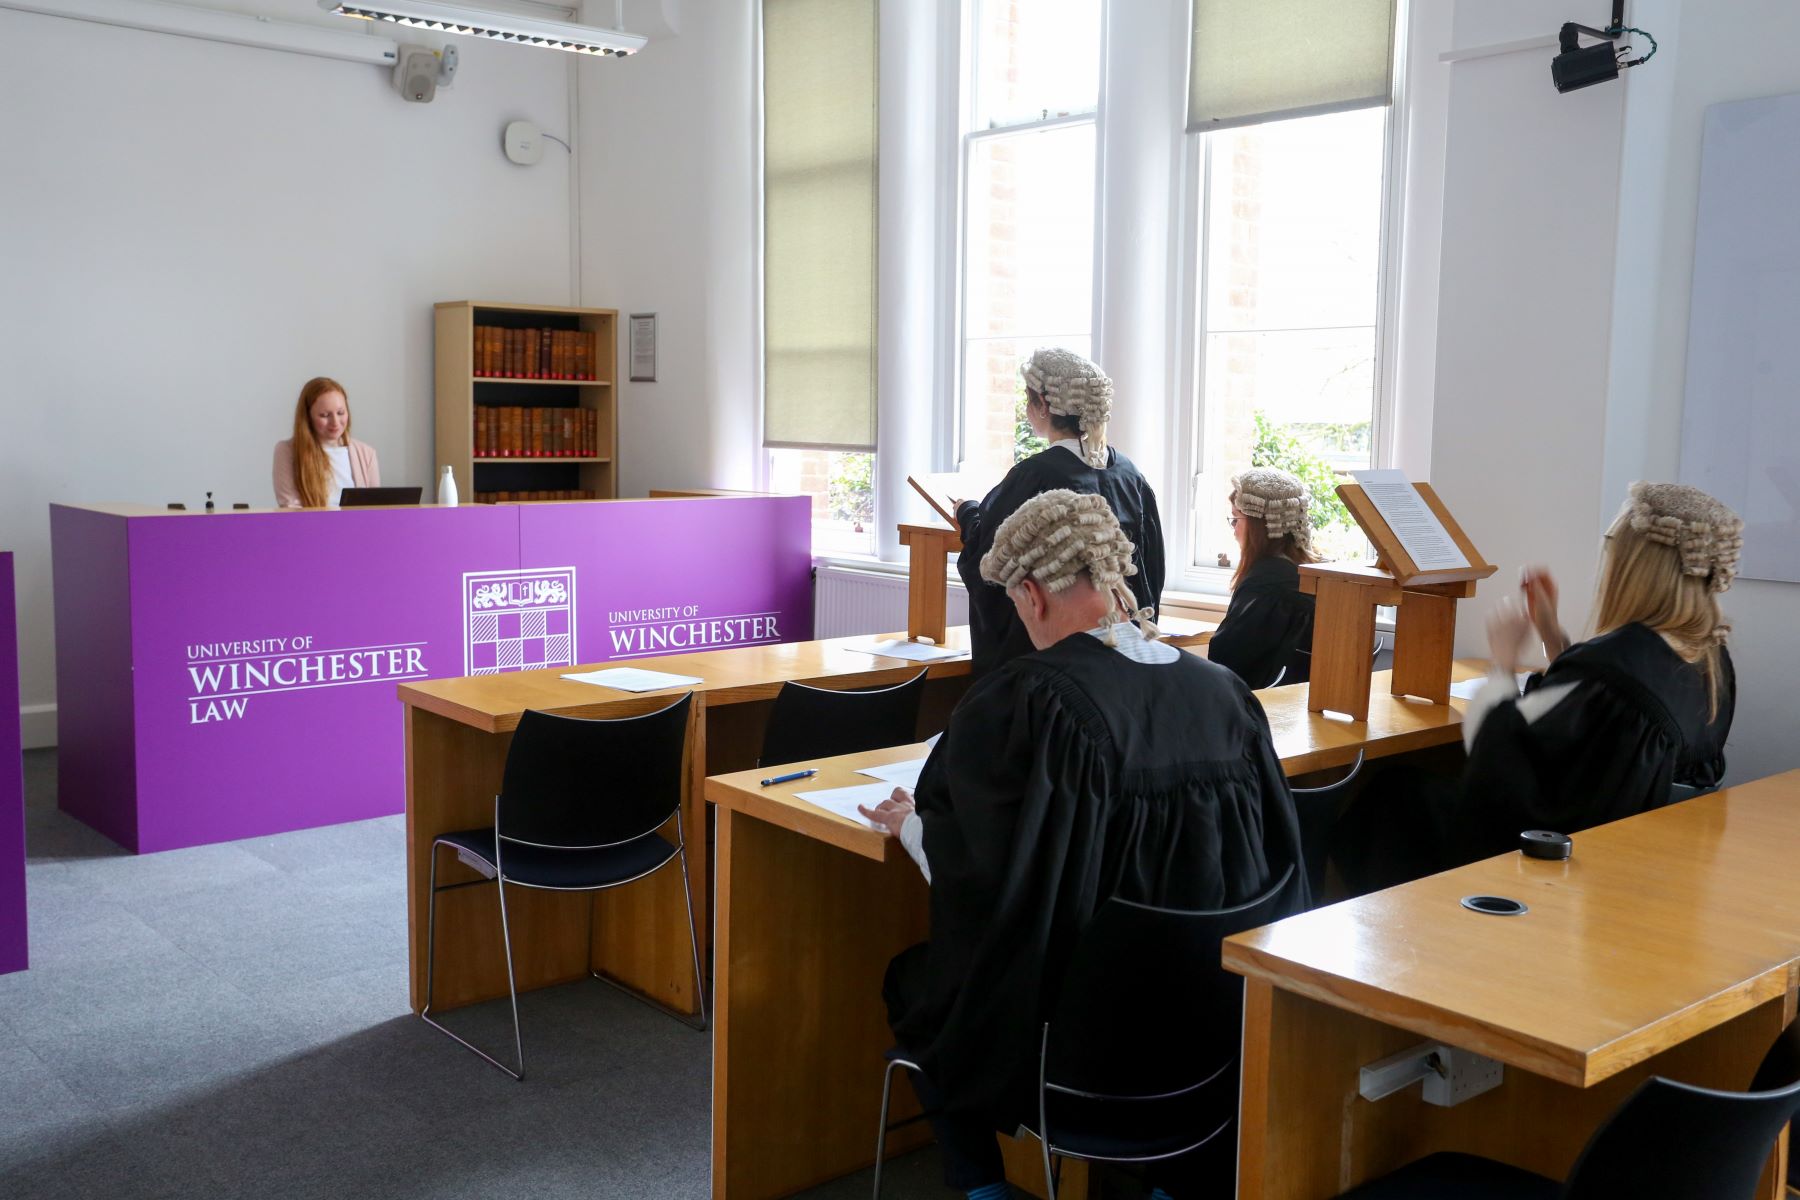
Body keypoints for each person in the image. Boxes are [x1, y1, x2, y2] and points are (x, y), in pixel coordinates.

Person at [859, 490, 1306, 1200]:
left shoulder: (1034, 701)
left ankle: (983, 1186)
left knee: (919, 983)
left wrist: (913, 824)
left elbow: (989, 880)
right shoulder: (1226, 696)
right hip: (1216, 1035)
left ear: (1030, 593)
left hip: (1080, 1050)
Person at [1452, 481, 1740, 862]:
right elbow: (1592, 718)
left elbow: (1500, 766)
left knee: (1391, 792)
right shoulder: (1712, 659)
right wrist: (1551, 634)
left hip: (1553, 857)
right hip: (1646, 861)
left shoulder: (1604, 667)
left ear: (1631, 571)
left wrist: (1503, 664)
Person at [954, 348, 1164, 678]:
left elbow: (992, 557)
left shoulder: (1038, 475)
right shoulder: (1128, 473)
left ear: (1043, 406)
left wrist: (967, 513)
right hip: (1118, 648)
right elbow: (1151, 567)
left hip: (1054, 655)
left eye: (1028, 400)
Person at [1207, 467, 1321, 688]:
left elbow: (1227, 659)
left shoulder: (1267, 584)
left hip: (1263, 707)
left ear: (1258, 526)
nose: (1234, 530)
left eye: (1235, 520)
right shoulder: (1310, 571)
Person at [273, 377, 379, 508]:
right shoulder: (287, 451)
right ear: (308, 417)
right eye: (324, 415)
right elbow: (290, 506)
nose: (335, 422)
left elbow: (374, 508)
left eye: (341, 413)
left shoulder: (366, 453)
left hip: (355, 528)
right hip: (311, 527)